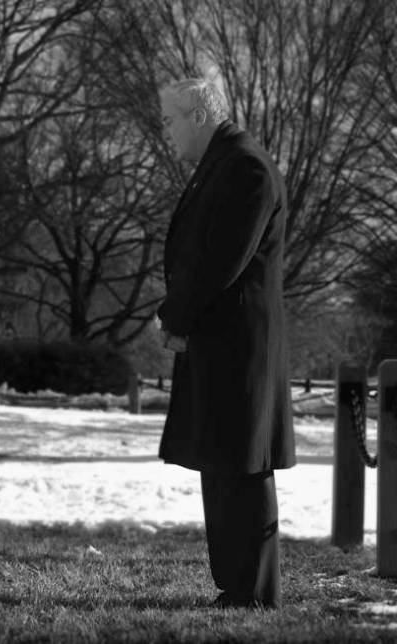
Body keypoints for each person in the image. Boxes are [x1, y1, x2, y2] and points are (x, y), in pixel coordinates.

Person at [156, 78, 295, 609]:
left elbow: (222, 263)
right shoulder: (226, 163)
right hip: (222, 342)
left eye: (170, 120)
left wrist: (174, 315)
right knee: (223, 461)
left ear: (197, 116)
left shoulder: (245, 167)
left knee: (241, 465)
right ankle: (237, 588)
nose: (167, 133)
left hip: (241, 348)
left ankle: (253, 593)